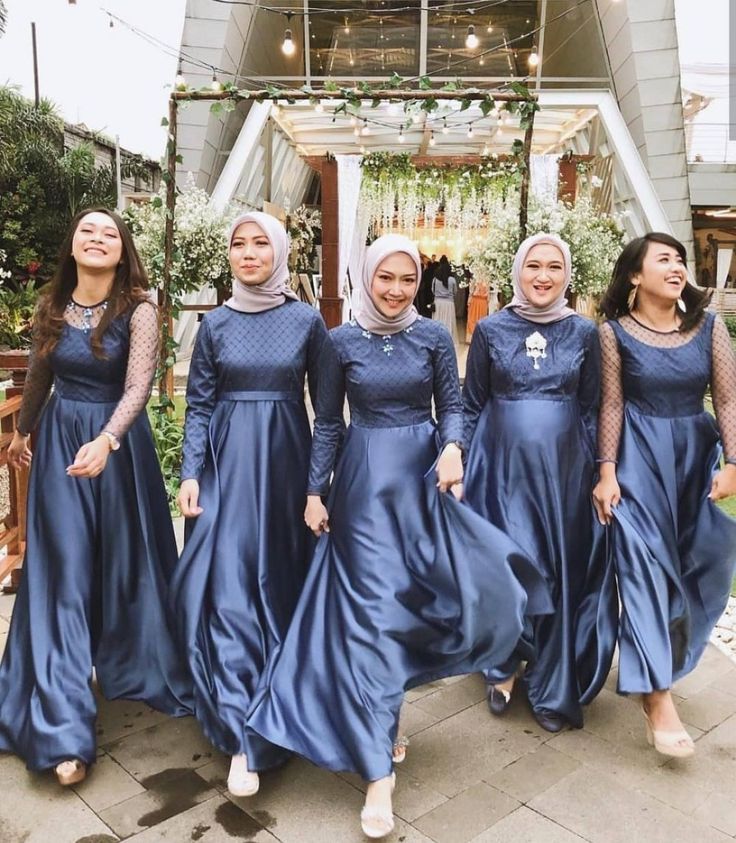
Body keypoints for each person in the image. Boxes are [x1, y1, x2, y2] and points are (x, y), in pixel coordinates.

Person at [248, 234, 549, 839]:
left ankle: (395, 710)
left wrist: (453, 449)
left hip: (419, 485)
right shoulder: (338, 342)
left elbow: (455, 406)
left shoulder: (435, 337)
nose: (395, 290)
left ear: (419, 283)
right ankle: (378, 772)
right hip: (361, 489)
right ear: (366, 276)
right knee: (372, 617)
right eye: (384, 278)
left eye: (407, 280)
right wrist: (314, 491)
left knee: (417, 607)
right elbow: (329, 421)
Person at [0, 208, 191, 785]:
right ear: (73, 245)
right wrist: (20, 433)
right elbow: (38, 376)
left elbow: (137, 387)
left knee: (126, 565)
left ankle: (129, 661)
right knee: (61, 573)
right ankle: (62, 727)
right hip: (60, 445)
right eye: (87, 229)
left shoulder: (140, 308)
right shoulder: (51, 305)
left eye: (110, 232)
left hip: (118, 448)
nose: (98, 238)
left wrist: (108, 439)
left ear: (122, 248)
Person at [171, 211, 328, 798]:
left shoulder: (307, 322)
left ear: (280, 252)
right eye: (239, 244)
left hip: (287, 469)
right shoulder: (214, 325)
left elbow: (330, 416)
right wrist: (191, 474)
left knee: (279, 591)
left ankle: (281, 708)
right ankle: (242, 737)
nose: (248, 253)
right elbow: (200, 405)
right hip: (226, 470)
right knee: (231, 594)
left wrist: (316, 488)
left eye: (261, 243)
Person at [463, 232, 615, 733]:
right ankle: (503, 664)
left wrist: (599, 469)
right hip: (499, 469)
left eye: (553, 267)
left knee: (554, 566)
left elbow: (592, 406)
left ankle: (550, 675)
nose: (543, 276)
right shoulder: (490, 328)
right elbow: (472, 403)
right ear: (517, 272)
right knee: (509, 564)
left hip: (563, 472)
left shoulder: (584, 333)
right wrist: (459, 457)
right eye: (533, 266)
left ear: (567, 274)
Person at [593, 232, 736, 758]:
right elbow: (610, 405)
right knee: (644, 570)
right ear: (635, 275)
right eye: (664, 259)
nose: (677, 267)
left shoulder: (709, 326)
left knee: (707, 562)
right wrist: (606, 472)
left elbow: (727, 397)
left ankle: (660, 662)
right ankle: (657, 697)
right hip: (636, 462)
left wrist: (734, 462)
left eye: (680, 259)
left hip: (693, 460)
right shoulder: (614, 334)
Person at [432, 255, 459, 343]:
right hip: (449, 304)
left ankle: (437, 340)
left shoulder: (435, 279)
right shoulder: (452, 279)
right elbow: (455, 292)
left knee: (437, 322)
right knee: (448, 323)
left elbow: (433, 290)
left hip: (438, 303)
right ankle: (448, 341)